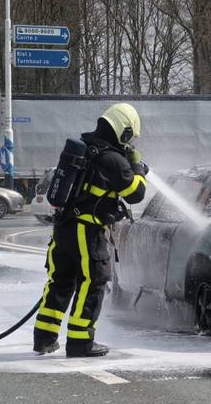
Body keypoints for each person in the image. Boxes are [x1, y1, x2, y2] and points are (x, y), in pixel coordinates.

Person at [33, 103, 148, 357]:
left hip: (63, 229)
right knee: (93, 282)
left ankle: (44, 338)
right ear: (124, 131)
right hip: (87, 232)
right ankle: (81, 342)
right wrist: (137, 168)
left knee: (60, 282)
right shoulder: (114, 160)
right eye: (130, 137)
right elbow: (136, 194)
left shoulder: (85, 148)